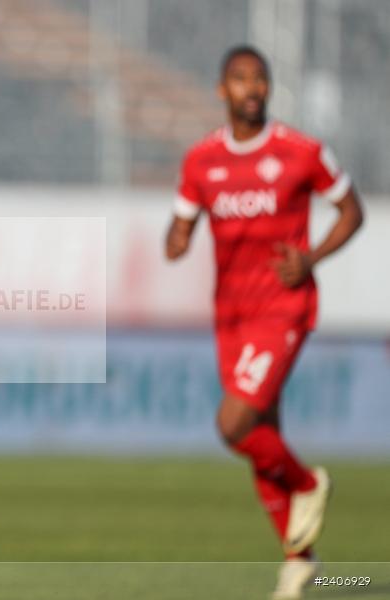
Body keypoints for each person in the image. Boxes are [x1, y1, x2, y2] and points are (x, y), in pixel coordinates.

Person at [165, 46, 363, 600]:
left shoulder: (300, 152)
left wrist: (313, 257)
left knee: (232, 424)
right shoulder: (201, 161)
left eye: (260, 79)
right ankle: (300, 560)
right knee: (259, 432)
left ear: (269, 88)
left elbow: (353, 211)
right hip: (229, 314)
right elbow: (177, 228)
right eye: (240, 79)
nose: (252, 88)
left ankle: (308, 483)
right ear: (221, 90)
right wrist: (177, 239)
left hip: (283, 307)